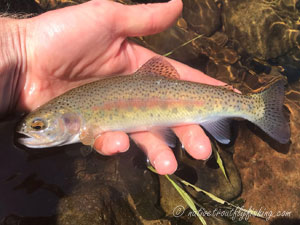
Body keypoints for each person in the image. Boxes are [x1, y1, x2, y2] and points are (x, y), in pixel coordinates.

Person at [0, 0, 226, 175]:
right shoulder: (76, 111)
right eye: (38, 126)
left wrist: (18, 49)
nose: (33, 130)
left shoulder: (79, 115)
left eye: (38, 125)